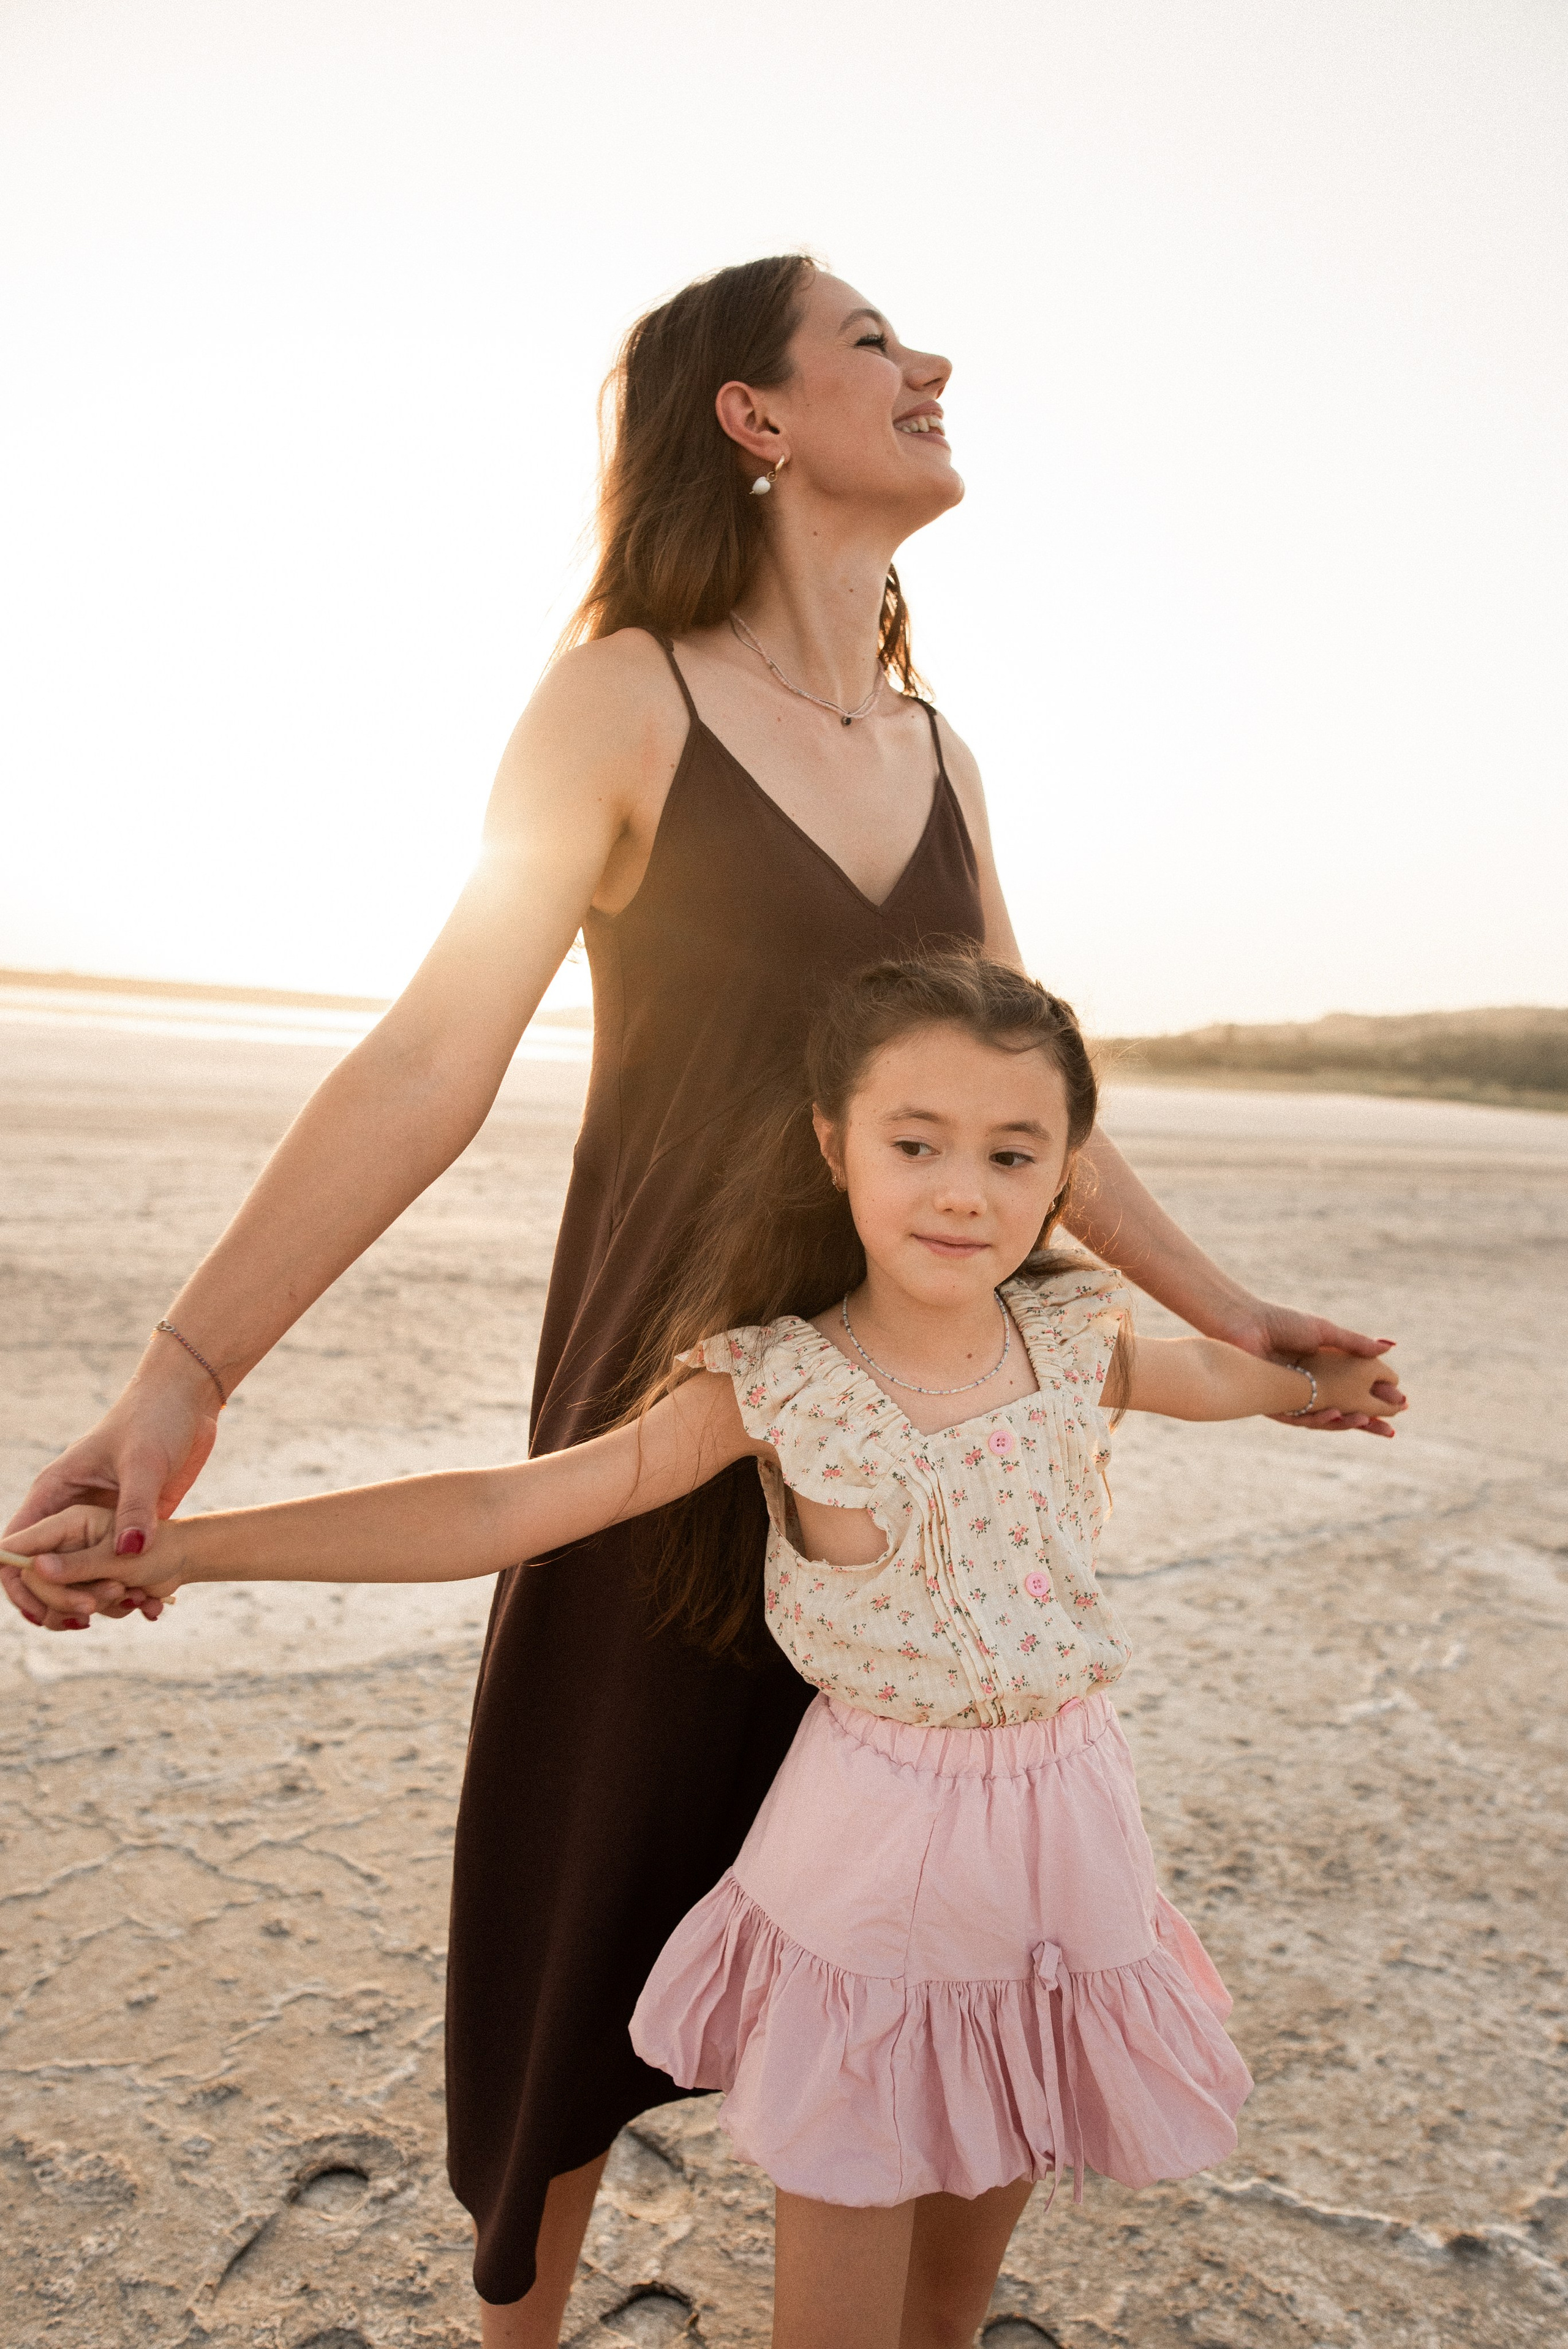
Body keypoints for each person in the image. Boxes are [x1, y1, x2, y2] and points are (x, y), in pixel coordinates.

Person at [2, 255, 1402, 2342]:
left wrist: (1239, 1310)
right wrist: (184, 1375)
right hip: (687, 1400)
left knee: (929, 1940)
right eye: (870, 343)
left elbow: (1041, 1096)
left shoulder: (944, 748)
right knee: (586, 1900)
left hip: (932, 1427)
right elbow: (428, 1053)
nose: (929, 367)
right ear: (750, 417)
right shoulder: (623, 694)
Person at [12, 952, 1405, 2349]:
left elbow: (1220, 1375)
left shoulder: (1069, 1335)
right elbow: (511, 1504)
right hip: (878, 1864)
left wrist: (1319, 1383)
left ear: (1063, 1177)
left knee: (957, 2292)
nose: (960, 1189)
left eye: (1009, 1152)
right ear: (833, 1145)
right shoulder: (775, 1379)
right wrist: (187, 1547)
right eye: (913, 1143)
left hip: (1070, 1835)